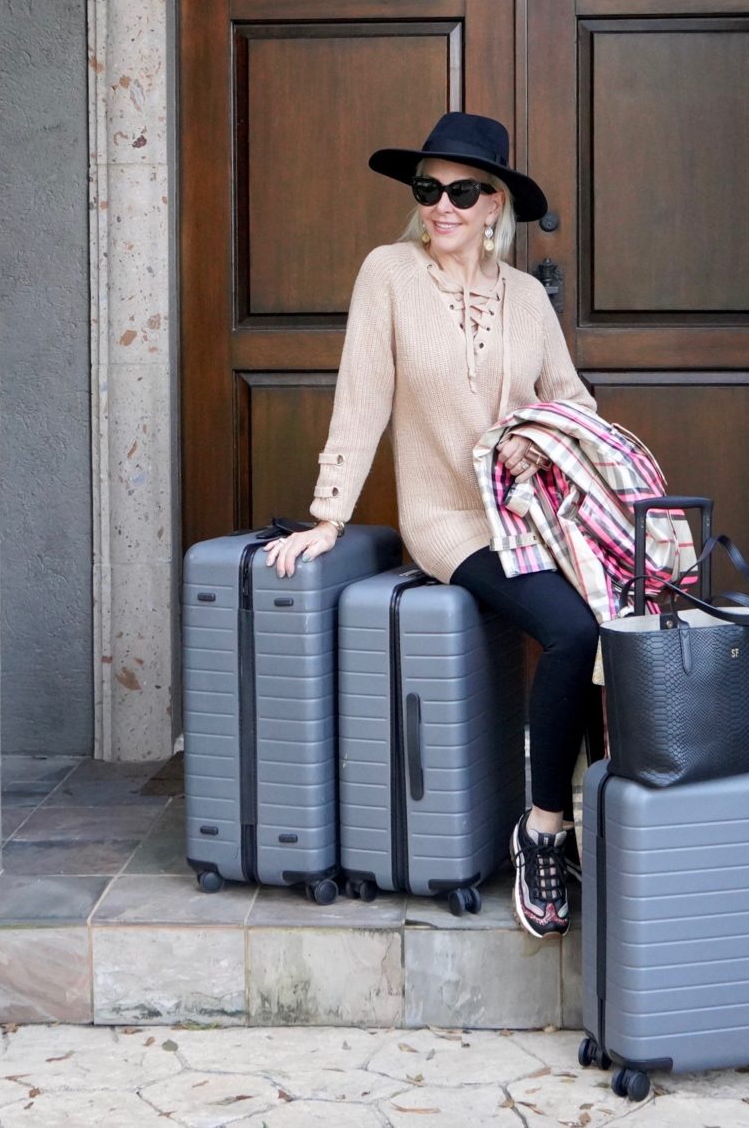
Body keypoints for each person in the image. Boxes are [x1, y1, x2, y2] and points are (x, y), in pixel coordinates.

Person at [261, 111, 601, 938]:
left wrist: (538, 437)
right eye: (428, 189)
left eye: (462, 191)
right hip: (452, 519)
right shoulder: (389, 273)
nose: (441, 206)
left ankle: (609, 825)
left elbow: (575, 399)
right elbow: (361, 398)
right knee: (571, 631)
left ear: (495, 206)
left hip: (537, 516)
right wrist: (328, 515)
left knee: (618, 623)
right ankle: (544, 826)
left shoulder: (524, 296)